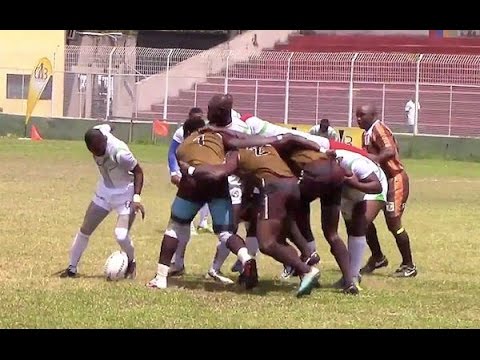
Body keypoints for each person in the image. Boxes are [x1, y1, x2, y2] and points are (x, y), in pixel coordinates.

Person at [147, 111, 291, 291]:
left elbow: (186, 170)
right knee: (225, 232)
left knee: (175, 227)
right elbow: (243, 142)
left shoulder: (182, 147)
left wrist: (187, 173)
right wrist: (275, 139)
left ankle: (160, 278)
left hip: (194, 183)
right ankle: (247, 258)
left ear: (187, 133)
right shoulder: (218, 136)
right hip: (219, 184)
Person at [179, 129, 326, 297]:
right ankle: (305, 267)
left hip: (274, 187)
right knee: (280, 235)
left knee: (267, 243)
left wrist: (190, 170)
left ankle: (306, 269)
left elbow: (221, 172)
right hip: (292, 186)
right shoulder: (265, 145)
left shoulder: (235, 153)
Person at [60, 124, 145, 278]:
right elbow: (108, 126)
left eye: (101, 148)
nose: (99, 152)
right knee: (85, 229)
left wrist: (136, 198)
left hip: (125, 193)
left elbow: (138, 172)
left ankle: (132, 261)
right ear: (90, 149)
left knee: (120, 235)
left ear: (104, 141)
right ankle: (71, 268)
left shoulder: (120, 153)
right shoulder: (100, 131)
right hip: (104, 191)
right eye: (95, 150)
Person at [356, 104, 417, 278]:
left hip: (394, 179)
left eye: (362, 115)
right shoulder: (365, 133)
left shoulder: (379, 129)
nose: (358, 119)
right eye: (357, 115)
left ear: (374, 115)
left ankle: (409, 265)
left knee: (393, 223)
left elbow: (389, 150)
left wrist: (371, 158)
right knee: (363, 219)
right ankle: (378, 257)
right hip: (379, 182)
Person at [168, 107, 213, 237]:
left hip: (197, 167)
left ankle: (203, 222)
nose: (198, 120)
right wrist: (174, 171)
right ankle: (187, 224)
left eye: (200, 117)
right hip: (182, 166)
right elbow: (172, 152)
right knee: (187, 195)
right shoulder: (181, 132)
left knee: (204, 195)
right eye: (195, 117)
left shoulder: (206, 131)